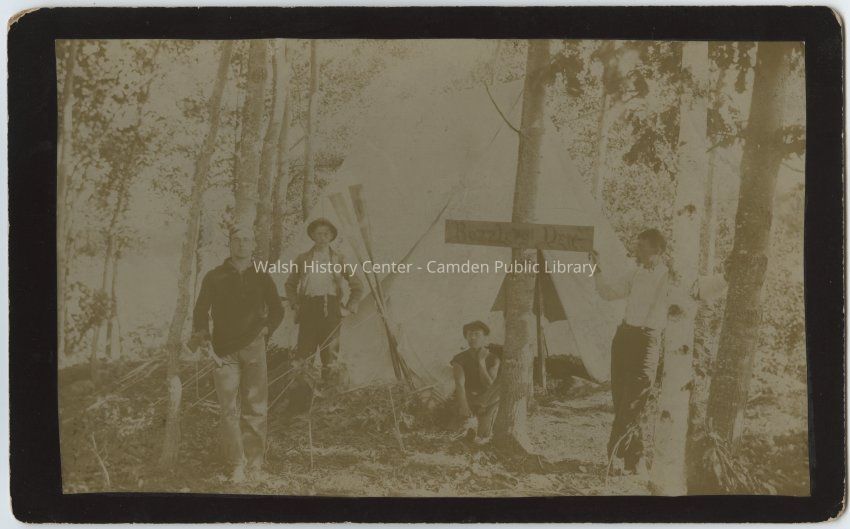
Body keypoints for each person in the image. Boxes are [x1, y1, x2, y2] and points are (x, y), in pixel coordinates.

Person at [191, 223, 285, 483]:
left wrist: (266, 330)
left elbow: (277, 309)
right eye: (237, 240)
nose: (242, 244)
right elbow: (200, 311)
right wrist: (205, 340)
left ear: (253, 245)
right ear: (230, 244)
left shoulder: (262, 276)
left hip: (255, 348)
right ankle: (236, 465)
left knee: (256, 407)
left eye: (246, 240)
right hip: (223, 352)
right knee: (228, 410)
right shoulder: (214, 276)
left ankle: (255, 465)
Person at [589, 228, 670, 476]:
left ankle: (614, 455)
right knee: (621, 400)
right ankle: (634, 459)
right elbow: (608, 293)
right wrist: (596, 269)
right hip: (624, 338)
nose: (637, 251)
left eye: (642, 247)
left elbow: (697, 290)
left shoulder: (670, 277)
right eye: (637, 246)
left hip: (647, 341)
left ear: (658, 250)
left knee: (634, 401)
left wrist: (724, 278)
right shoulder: (635, 273)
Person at [284, 218, 363, 381]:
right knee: (304, 357)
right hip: (308, 310)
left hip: (331, 309)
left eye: (326, 234)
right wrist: (295, 304)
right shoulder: (302, 258)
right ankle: (304, 394)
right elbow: (290, 284)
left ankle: (329, 394)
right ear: (312, 236)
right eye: (318, 234)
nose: (322, 237)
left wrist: (349, 307)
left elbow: (357, 286)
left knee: (331, 357)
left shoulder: (339, 259)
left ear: (331, 236)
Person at [450, 320, 502, 442]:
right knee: (463, 432)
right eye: (469, 334)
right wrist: (464, 406)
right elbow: (459, 384)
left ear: (485, 337)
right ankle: (470, 422)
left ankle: (480, 424)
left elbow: (489, 385)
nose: (473, 338)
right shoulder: (459, 358)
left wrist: (481, 363)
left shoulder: (493, 358)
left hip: (487, 401)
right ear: (466, 337)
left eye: (477, 334)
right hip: (469, 398)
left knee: (482, 436)